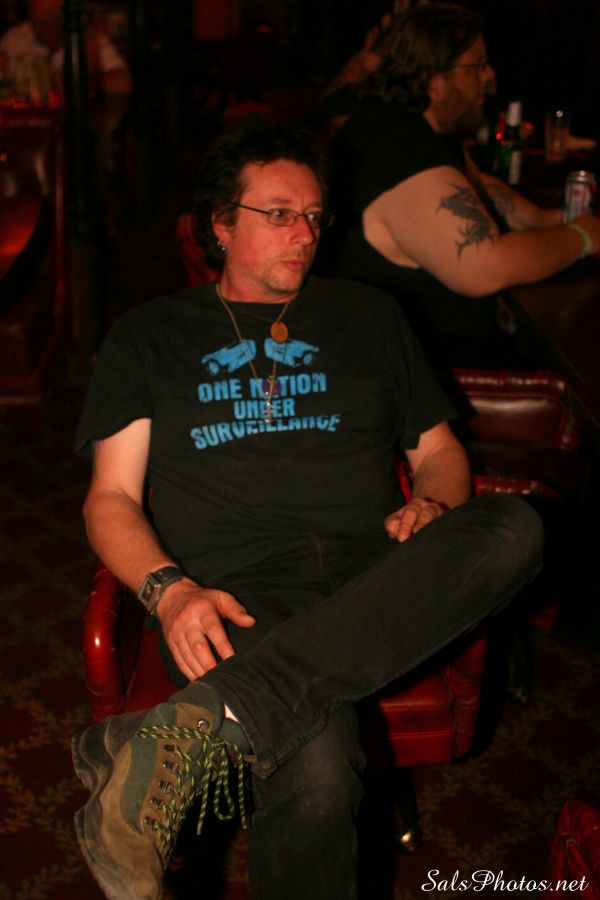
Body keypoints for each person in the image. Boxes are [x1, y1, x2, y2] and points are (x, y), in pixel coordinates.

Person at [72, 119, 543, 900]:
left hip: (380, 577)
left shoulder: (370, 315)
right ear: (221, 225)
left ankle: (195, 727)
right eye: (279, 214)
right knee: (316, 758)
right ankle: (226, 713)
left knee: (515, 526)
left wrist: (433, 501)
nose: (305, 235)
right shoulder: (149, 337)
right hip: (233, 597)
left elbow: (440, 451)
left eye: (315, 217)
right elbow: (110, 498)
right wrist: (170, 591)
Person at [324, 2, 600, 366]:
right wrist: (580, 237)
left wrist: (540, 219)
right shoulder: (401, 152)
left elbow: (476, 185)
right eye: (478, 65)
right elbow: (486, 267)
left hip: (428, 351)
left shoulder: (410, 126)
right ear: (435, 81)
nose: (489, 76)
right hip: (428, 368)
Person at [0, 0, 131, 104]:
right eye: (34, 22)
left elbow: (123, 83)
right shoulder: (14, 39)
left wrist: (79, 82)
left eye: (46, 23)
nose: (37, 29)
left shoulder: (89, 41)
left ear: (64, 20)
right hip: (24, 121)